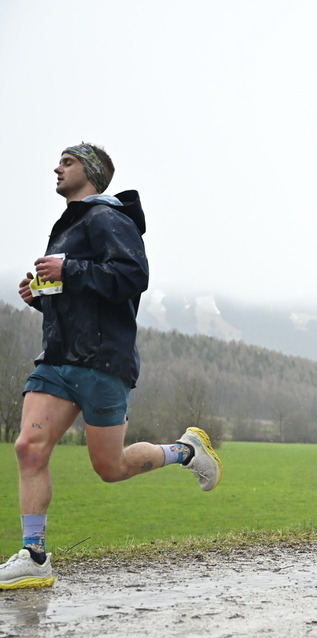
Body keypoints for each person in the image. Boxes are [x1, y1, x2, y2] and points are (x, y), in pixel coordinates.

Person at [0, 143, 222, 591]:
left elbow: (131, 276)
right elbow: (80, 299)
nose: (57, 168)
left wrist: (69, 269)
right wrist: (41, 297)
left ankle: (186, 451)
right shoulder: (67, 227)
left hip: (102, 360)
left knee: (111, 467)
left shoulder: (108, 217)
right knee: (28, 448)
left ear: (92, 171)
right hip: (57, 358)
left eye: (68, 162)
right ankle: (35, 556)